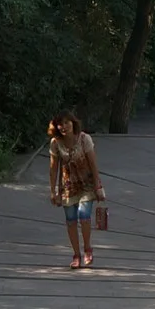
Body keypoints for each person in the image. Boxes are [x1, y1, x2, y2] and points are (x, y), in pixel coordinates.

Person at [48, 110, 105, 269]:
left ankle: (87, 248)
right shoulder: (55, 143)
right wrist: (53, 191)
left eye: (67, 122)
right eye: (60, 124)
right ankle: (76, 254)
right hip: (68, 187)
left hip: (86, 185)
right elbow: (53, 169)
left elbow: (93, 165)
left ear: (73, 123)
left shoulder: (84, 139)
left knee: (84, 215)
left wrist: (98, 186)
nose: (64, 126)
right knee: (71, 220)